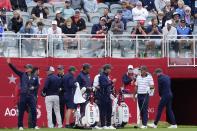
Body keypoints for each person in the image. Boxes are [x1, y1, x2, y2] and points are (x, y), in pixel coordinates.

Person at [7, 58, 39, 130]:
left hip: (31, 96)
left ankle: (34, 126)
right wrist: (10, 64)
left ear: (31, 69)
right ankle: (20, 126)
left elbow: (37, 86)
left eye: (27, 68)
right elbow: (15, 70)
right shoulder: (22, 74)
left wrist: (34, 88)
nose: (26, 69)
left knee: (34, 110)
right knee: (21, 111)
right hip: (23, 95)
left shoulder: (35, 77)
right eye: (25, 68)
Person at [98, 64, 116, 129]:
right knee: (103, 111)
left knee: (109, 110)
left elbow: (108, 86)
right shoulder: (101, 76)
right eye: (110, 69)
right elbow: (103, 85)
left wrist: (111, 88)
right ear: (106, 69)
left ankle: (109, 124)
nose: (110, 70)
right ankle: (103, 125)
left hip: (108, 96)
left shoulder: (107, 76)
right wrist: (111, 82)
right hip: (103, 96)